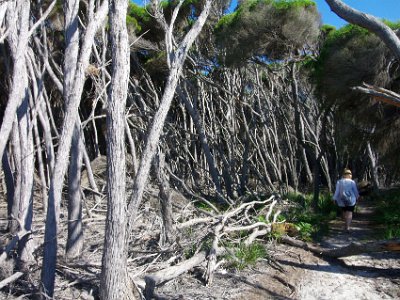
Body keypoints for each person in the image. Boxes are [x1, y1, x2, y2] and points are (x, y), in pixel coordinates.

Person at [333, 168, 360, 233]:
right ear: (350, 175)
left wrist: (334, 198)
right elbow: (355, 191)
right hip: (351, 200)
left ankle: (345, 225)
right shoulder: (352, 182)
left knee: (344, 213)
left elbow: (337, 191)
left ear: (343, 175)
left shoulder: (339, 181)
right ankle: (347, 227)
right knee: (349, 213)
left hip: (342, 200)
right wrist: (358, 197)